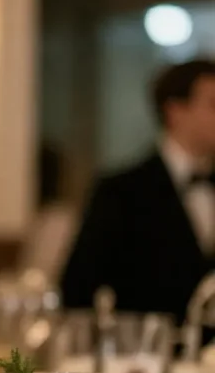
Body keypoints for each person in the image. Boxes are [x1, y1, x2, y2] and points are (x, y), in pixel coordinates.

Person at [61, 59, 215, 324]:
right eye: (213, 105)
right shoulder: (121, 192)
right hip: (146, 347)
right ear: (175, 112)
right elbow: (77, 289)